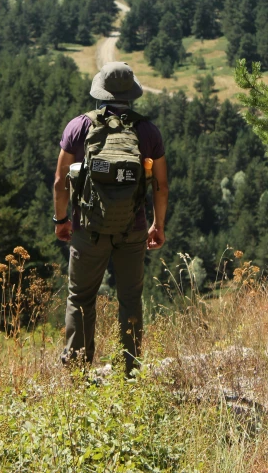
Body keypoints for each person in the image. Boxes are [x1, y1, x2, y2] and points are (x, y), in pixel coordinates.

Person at [53, 61, 168, 374]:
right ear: (131, 94)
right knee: (130, 299)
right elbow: (161, 184)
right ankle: (129, 371)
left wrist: (61, 220)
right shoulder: (147, 131)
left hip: (87, 228)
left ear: (100, 92)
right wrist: (157, 225)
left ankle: (77, 371)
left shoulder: (79, 126)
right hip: (133, 230)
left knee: (80, 298)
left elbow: (60, 181)